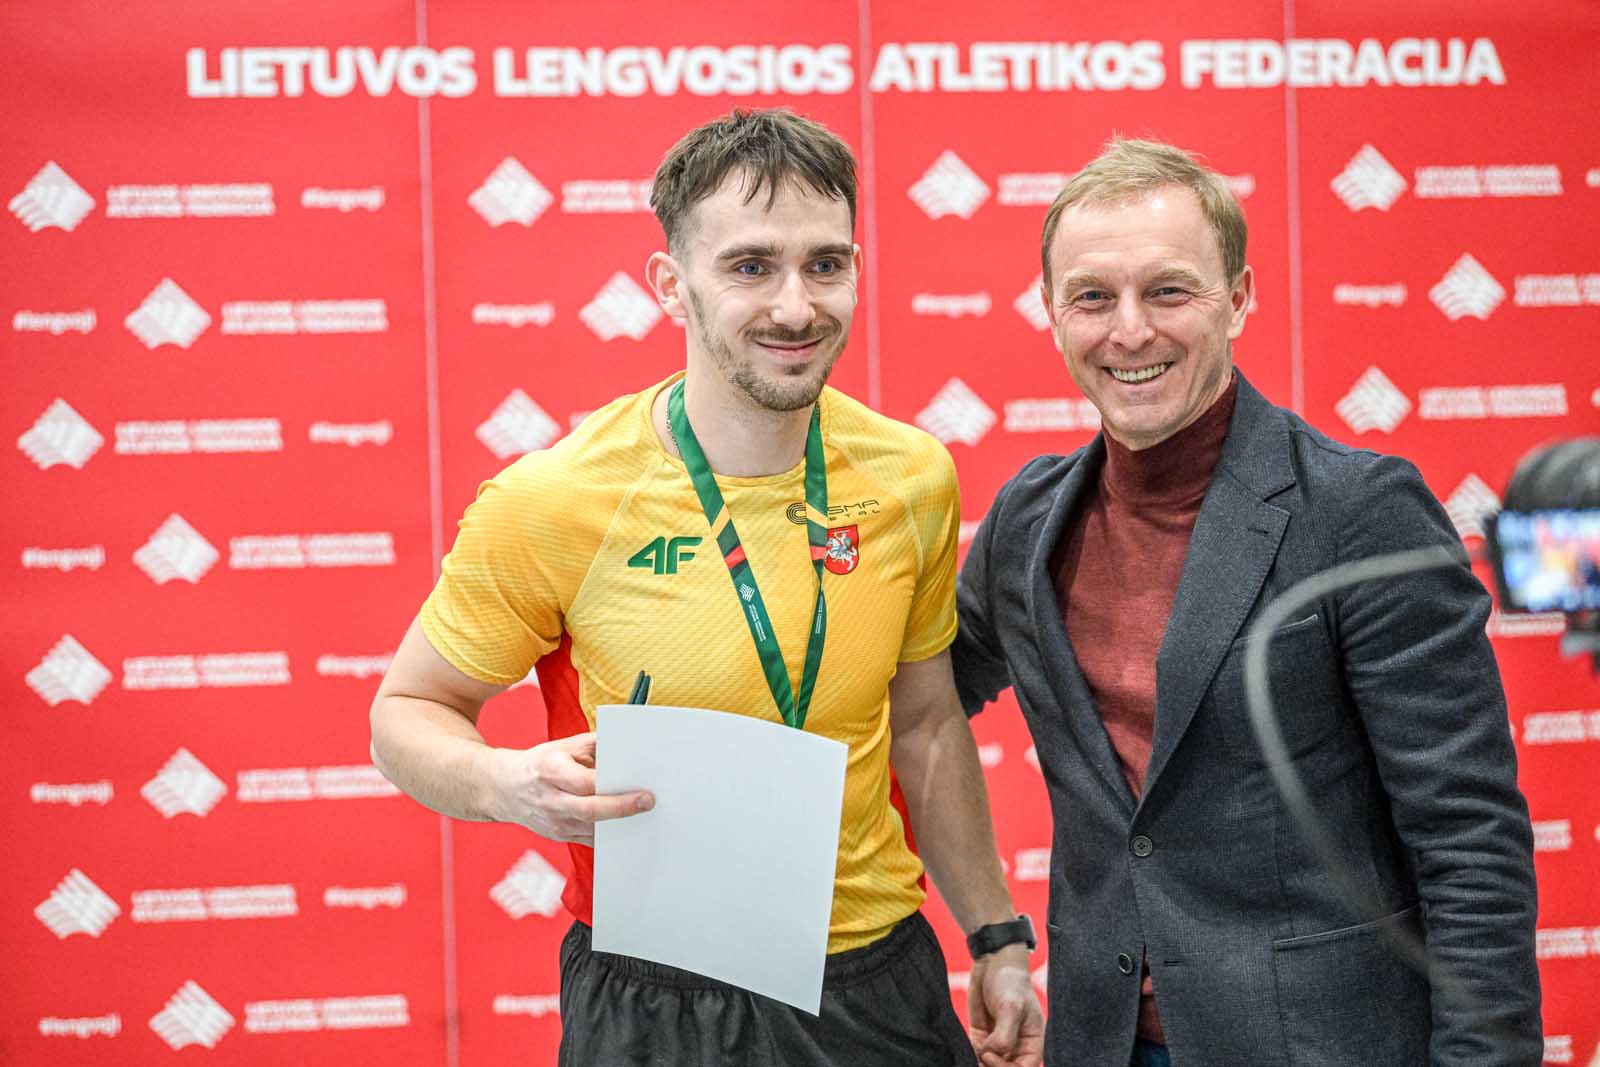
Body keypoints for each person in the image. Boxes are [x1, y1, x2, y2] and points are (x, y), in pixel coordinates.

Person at [370, 108, 1043, 1067]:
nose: (795, 307)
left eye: (824, 264)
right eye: (750, 266)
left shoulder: (912, 478)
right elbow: (407, 711)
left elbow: (928, 723)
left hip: (870, 981)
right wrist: (506, 783)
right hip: (656, 994)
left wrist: (996, 935)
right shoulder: (556, 499)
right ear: (670, 285)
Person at [952, 137, 1541, 1066]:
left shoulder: (1360, 512)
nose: (1130, 331)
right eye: (1093, 296)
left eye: (1168, 291)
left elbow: (1470, 841)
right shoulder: (1025, 523)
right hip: (1098, 1041)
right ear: (1051, 311)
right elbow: (914, 695)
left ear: (1238, 298)